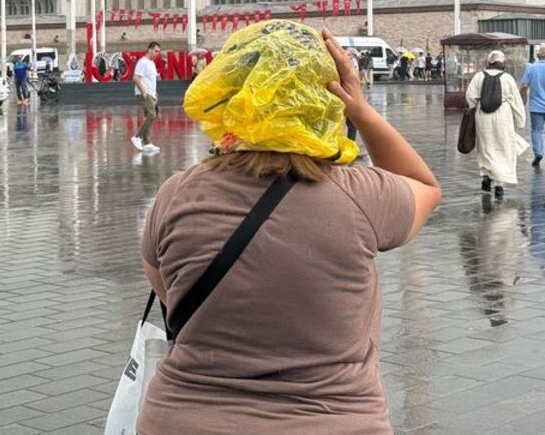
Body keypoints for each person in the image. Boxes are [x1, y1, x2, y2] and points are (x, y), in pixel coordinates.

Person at [138, 23, 441, 435]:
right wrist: (361, 109)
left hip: (184, 418)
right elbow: (424, 186)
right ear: (325, 96)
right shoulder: (362, 197)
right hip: (333, 421)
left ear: (228, 91)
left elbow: (167, 290)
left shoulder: (177, 195)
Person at [466, 50, 528, 198]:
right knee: (503, 147)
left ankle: (486, 175)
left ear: (489, 62)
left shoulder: (479, 76)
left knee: (486, 146)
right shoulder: (508, 78)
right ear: (503, 62)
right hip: (503, 116)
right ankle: (499, 184)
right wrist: (520, 121)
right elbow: (516, 101)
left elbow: (470, 97)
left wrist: (476, 105)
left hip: (483, 116)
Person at [131, 42, 161, 153]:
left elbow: (151, 81)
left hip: (151, 94)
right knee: (152, 115)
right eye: (155, 51)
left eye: (158, 52)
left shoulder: (151, 63)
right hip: (144, 93)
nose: (157, 53)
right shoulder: (142, 62)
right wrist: (143, 91)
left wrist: (155, 95)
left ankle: (147, 143)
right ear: (149, 50)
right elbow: (136, 77)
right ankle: (137, 137)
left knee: (148, 116)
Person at [520, 43, 545, 167]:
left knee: (536, 131)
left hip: (536, 107)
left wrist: (521, 99)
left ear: (538, 55)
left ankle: (538, 153)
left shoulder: (531, 69)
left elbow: (524, 86)